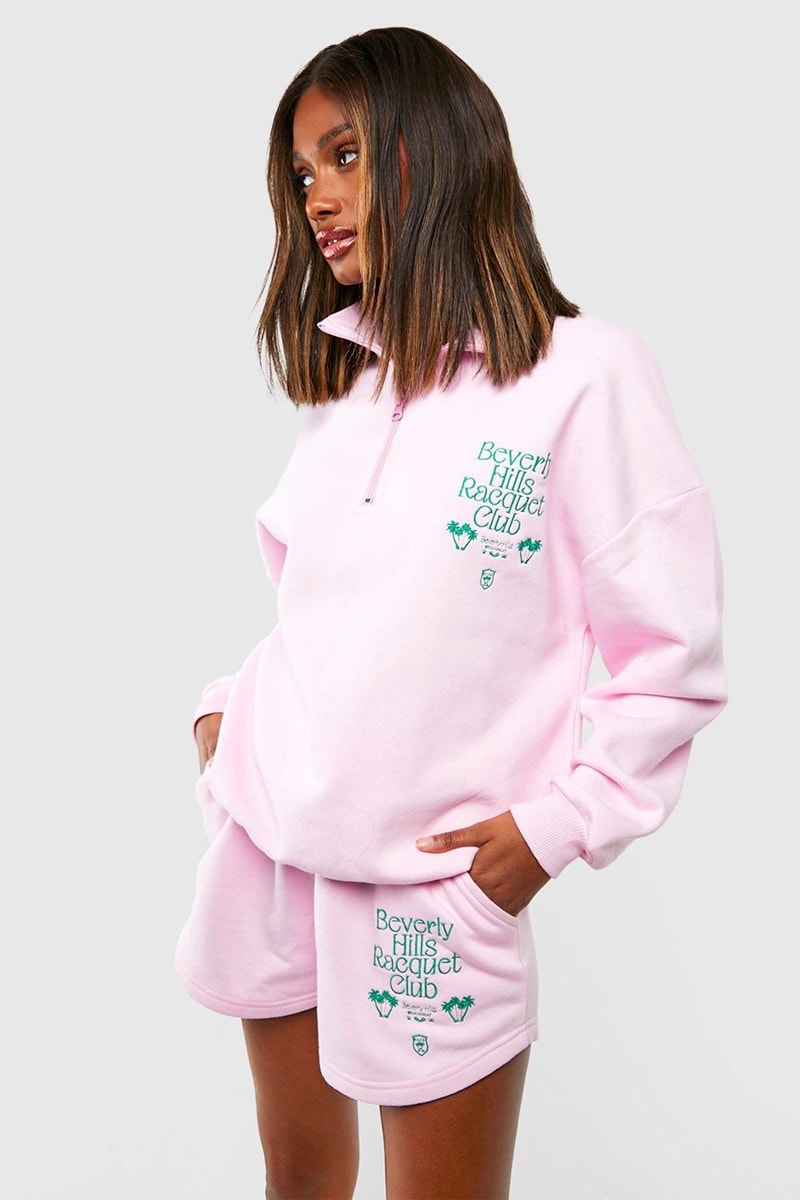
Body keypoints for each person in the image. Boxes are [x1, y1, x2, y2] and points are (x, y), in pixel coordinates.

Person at [175, 26, 728, 1200]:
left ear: (432, 149)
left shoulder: (587, 377)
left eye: (343, 155)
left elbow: (668, 659)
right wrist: (229, 716)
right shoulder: (350, 383)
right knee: (298, 1183)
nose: (316, 200)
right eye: (300, 174)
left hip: (433, 886)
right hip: (271, 845)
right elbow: (329, 611)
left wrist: (556, 826)